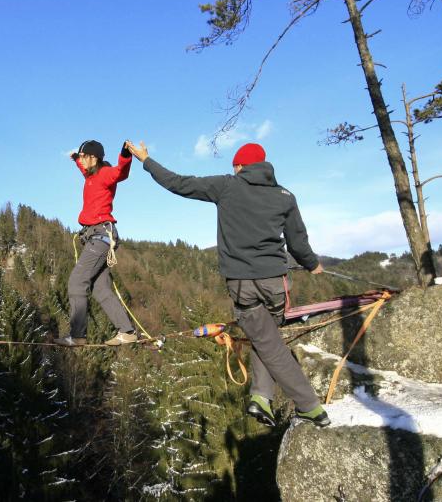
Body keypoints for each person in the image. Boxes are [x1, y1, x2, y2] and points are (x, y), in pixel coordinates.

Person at [125, 140, 330, 427]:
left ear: (239, 166)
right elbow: (298, 242)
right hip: (275, 284)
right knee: (266, 336)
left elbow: (178, 183)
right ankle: (261, 397)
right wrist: (313, 265)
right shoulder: (285, 196)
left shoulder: (227, 186)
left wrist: (146, 160)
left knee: (267, 342)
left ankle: (309, 406)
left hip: (243, 284)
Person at [56, 140, 138, 347]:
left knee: (77, 282)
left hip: (101, 236)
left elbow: (122, 172)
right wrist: (75, 158)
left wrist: (125, 155)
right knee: (100, 289)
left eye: (84, 157)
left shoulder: (106, 173)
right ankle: (127, 332)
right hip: (94, 237)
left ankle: (77, 336)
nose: (81, 162)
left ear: (94, 158)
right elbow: (81, 167)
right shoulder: (90, 175)